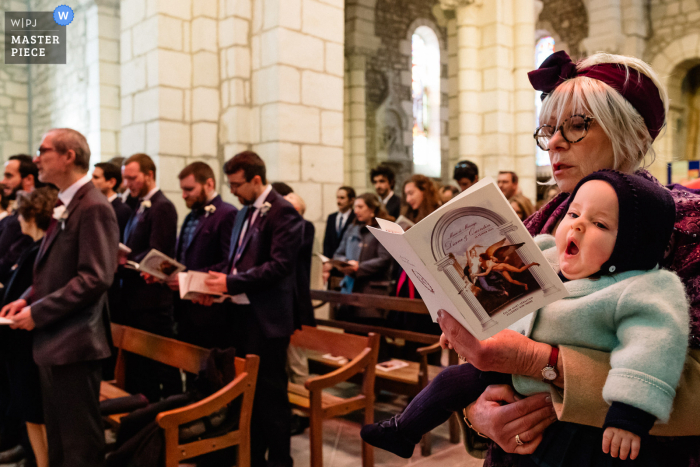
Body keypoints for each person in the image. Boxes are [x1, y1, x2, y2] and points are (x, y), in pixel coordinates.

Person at [442, 51, 700, 466]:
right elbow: (486, 344)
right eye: (548, 130)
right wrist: (480, 415)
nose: (556, 143)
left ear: (629, 131)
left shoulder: (685, 222)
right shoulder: (536, 223)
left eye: (577, 125)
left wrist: (540, 363)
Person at [362, 171, 688, 464]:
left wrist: (630, 413)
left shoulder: (641, 288)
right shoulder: (545, 257)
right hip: (511, 377)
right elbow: (504, 304)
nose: (576, 224)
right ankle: (402, 431)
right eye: (574, 213)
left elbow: (653, 347)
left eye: (600, 224)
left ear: (634, 244)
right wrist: (465, 327)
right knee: (450, 380)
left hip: (572, 414)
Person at [1, 128, 118, 467]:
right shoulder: (66, 203)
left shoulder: (93, 206)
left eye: (44, 150)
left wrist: (38, 312)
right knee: (60, 440)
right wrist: (26, 297)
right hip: (56, 339)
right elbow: (53, 267)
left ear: (69, 156)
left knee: (79, 443)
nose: (36, 158)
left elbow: (95, 278)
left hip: (75, 342)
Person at [202, 151, 304, 467]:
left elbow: (279, 266)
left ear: (256, 180)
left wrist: (229, 283)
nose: (231, 191)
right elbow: (234, 262)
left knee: (270, 398)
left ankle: (280, 461)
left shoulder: (283, 212)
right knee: (248, 397)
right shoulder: (245, 213)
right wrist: (205, 282)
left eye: (236, 184)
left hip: (267, 321)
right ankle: (253, 458)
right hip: (239, 316)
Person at [0, 187, 58, 467]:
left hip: (31, 343)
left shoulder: (42, 251)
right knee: (29, 412)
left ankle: (43, 461)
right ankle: (37, 458)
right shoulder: (33, 248)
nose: (16, 218)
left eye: (20, 213)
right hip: (20, 342)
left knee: (36, 412)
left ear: (31, 216)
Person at [120, 153, 180, 401]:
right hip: (135, 296)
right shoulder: (137, 205)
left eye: (132, 178)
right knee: (139, 367)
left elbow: (159, 252)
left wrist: (127, 258)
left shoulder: (162, 206)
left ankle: (168, 412)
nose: (127, 184)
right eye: (125, 178)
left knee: (161, 366)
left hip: (153, 300)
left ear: (149, 175)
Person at [170, 161, 237, 349]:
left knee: (211, 372)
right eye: (182, 190)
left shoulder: (227, 213)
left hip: (211, 309)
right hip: (187, 307)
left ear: (209, 184)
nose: (184, 195)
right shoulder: (191, 216)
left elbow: (228, 262)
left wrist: (188, 279)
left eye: (189, 189)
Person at [328, 193, 393, 326]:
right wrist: (342, 264)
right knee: (350, 336)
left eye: (360, 207)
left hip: (371, 292)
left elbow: (385, 259)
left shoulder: (383, 230)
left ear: (372, 209)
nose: (356, 211)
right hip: (349, 290)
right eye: (355, 207)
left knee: (370, 335)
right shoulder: (352, 228)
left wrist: (359, 267)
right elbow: (339, 253)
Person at [0, 155, 39, 283]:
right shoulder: (13, 216)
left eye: (9, 176)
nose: (3, 181)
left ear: (28, 179)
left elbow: (10, 259)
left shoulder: (31, 217)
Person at [92, 162, 132, 240]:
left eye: (96, 177)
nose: (91, 181)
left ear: (111, 182)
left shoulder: (122, 210)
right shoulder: (95, 204)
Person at [323, 186, 356, 259]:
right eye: (337, 197)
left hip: (348, 262)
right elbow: (327, 242)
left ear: (351, 200)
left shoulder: (356, 218)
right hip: (332, 262)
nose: (338, 201)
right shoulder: (331, 217)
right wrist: (326, 260)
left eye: (342, 198)